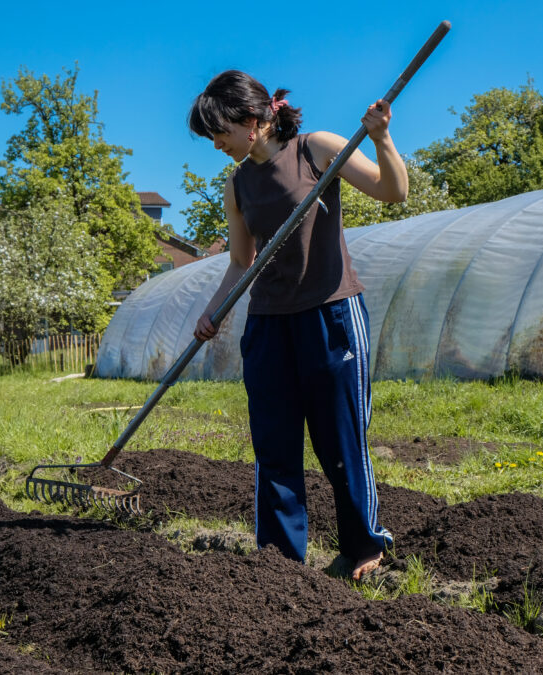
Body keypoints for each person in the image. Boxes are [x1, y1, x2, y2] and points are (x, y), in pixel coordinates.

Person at [188, 70, 408, 580]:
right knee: (274, 443)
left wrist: (381, 137)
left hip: (329, 313)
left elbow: (391, 192)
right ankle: (280, 561)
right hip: (269, 324)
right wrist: (212, 312)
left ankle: (364, 546)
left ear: (250, 120)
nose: (216, 144)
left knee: (340, 439)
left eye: (218, 132)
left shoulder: (317, 148)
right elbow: (241, 262)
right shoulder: (238, 183)